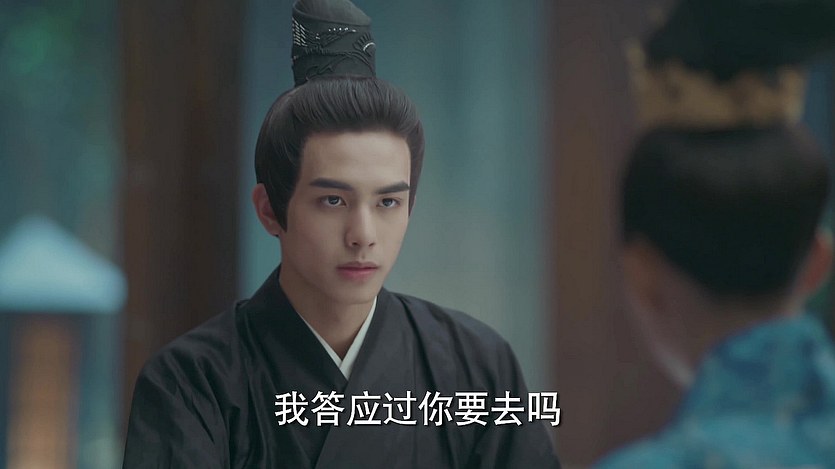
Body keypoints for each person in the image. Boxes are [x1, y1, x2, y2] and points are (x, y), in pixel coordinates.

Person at [122, 1, 559, 468]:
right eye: (333, 201)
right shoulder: (191, 383)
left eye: (388, 202)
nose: (363, 235)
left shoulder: (476, 367)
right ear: (269, 210)